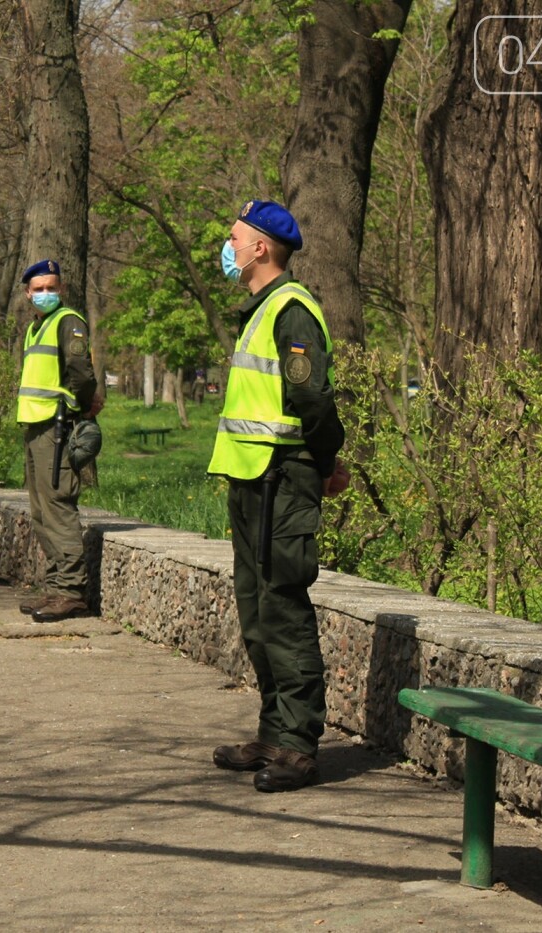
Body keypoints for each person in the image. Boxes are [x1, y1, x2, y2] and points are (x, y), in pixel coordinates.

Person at [207, 199, 349, 794]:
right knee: (257, 610)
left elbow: (311, 400)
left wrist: (325, 461)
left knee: (284, 608)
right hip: (251, 477)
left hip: (282, 479)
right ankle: (274, 731)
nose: (229, 247)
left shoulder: (291, 311)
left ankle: (298, 745)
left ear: (261, 247)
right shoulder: (260, 309)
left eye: (235, 238)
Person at [15, 259, 103, 623]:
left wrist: (85, 406)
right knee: (41, 511)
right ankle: (55, 587)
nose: (45, 294)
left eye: (52, 287)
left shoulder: (68, 321)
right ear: (27, 294)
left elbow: (81, 374)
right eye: (39, 289)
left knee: (59, 506)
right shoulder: (37, 327)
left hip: (57, 425)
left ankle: (70, 593)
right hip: (37, 425)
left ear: (62, 289)